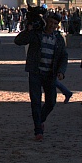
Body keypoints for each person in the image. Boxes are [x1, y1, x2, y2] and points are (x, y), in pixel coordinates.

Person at [23, 10, 70, 141]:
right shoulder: (37, 34)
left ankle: (40, 120)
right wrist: (28, 30)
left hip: (50, 73)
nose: (52, 25)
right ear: (46, 22)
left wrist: (61, 71)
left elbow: (64, 56)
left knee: (51, 102)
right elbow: (19, 41)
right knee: (35, 102)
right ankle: (38, 130)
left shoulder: (58, 38)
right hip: (35, 72)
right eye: (50, 22)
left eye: (55, 23)